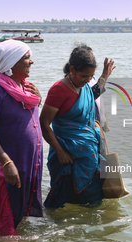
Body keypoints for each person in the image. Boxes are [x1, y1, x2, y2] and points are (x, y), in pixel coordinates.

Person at [0, 40, 43, 235]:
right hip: (7, 167)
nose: (31, 62)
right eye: (26, 57)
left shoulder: (25, 88)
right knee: (6, 226)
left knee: (18, 218)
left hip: (27, 163)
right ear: (10, 62)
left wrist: (39, 98)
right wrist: (6, 162)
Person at [40, 46, 113, 209]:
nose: (88, 80)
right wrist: (60, 152)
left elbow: (91, 94)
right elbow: (44, 124)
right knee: (61, 202)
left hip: (89, 157)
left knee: (92, 203)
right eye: (84, 76)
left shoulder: (83, 86)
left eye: (91, 76)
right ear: (72, 70)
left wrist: (104, 77)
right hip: (68, 158)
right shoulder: (59, 89)